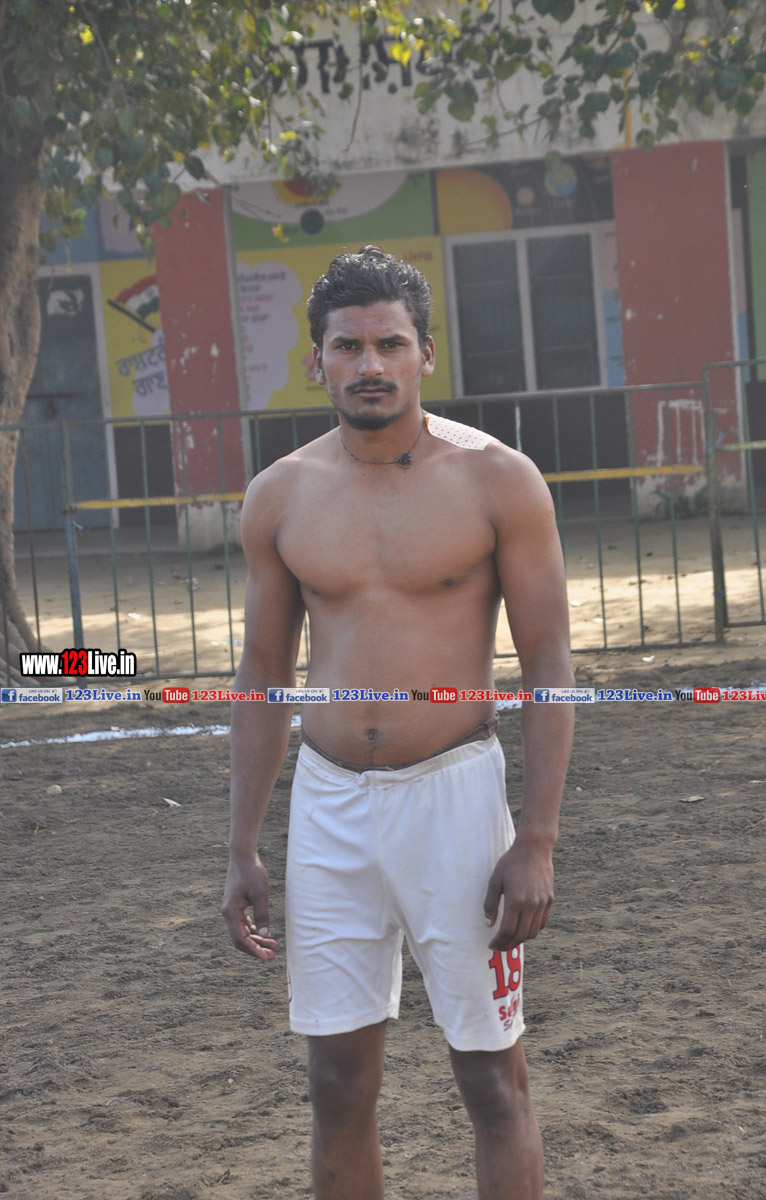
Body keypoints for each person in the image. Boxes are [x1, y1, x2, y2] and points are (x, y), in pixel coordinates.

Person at [221, 245, 574, 1200]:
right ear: (317, 361)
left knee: (490, 1081)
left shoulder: (498, 480)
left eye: (389, 343)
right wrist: (243, 845)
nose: (369, 364)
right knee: (336, 1084)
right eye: (348, 346)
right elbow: (263, 674)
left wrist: (536, 839)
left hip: (454, 799)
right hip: (328, 805)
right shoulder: (280, 493)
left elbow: (547, 663)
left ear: (425, 353)